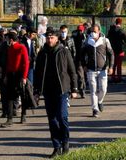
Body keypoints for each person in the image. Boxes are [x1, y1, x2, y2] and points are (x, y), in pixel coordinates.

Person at [34, 27, 79, 158]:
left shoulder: (64, 51)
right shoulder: (43, 53)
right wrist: (37, 91)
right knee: (52, 120)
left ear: (57, 38)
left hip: (62, 90)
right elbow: (38, 73)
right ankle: (56, 146)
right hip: (48, 90)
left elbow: (72, 71)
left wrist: (74, 88)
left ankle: (65, 142)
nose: (49, 40)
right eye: (48, 37)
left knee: (62, 117)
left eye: (52, 37)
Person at [82, 24, 113, 117]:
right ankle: (95, 109)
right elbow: (81, 54)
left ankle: (100, 101)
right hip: (91, 69)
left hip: (103, 69)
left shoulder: (105, 40)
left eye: (95, 31)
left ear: (99, 31)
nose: (93, 33)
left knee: (103, 89)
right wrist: (84, 65)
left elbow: (111, 54)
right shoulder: (87, 41)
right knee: (93, 90)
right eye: (91, 31)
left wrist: (111, 66)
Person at [1, 30, 29, 126]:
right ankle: (10, 118)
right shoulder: (9, 48)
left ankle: (23, 115)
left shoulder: (21, 48)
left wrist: (24, 77)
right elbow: (8, 63)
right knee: (10, 96)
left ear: (11, 40)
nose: (6, 40)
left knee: (22, 95)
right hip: (10, 74)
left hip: (19, 74)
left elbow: (26, 63)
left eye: (7, 39)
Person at [107, 18, 126, 84]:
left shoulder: (111, 30)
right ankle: (119, 78)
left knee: (113, 64)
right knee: (119, 65)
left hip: (112, 49)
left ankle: (113, 77)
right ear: (120, 23)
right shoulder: (121, 31)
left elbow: (108, 37)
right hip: (120, 49)